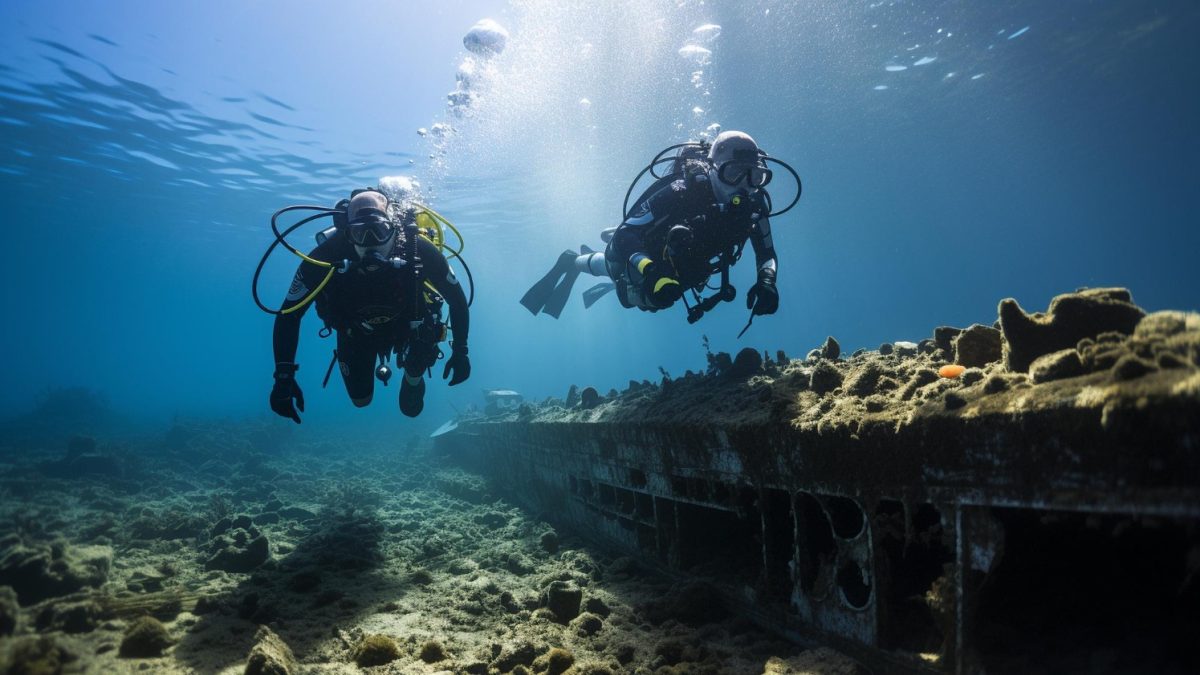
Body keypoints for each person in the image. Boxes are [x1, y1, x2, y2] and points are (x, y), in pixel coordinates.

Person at [520, 131, 796, 327]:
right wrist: (651, 271)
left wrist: (766, 282)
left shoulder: (755, 205)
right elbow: (624, 237)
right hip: (644, 254)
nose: (745, 186)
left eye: (756, 176)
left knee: (662, 293)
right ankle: (572, 261)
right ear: (714, 169)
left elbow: (767, 252)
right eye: (735, 174)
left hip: (687, 264)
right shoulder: (680, 193)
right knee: (628, 281)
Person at [269, 189, 470, 422]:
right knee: (360, 401)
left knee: (411, 408)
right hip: (355, 332)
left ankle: (412, 377)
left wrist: (461, 350)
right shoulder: (325, 256)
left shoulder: (419, 249)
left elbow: (457, 300)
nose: (370, 244)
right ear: (347, 234)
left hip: (410, 326)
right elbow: (288, 315)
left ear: (394, 229)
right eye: (360, 234)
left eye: (380, 231)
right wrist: (283, 376)